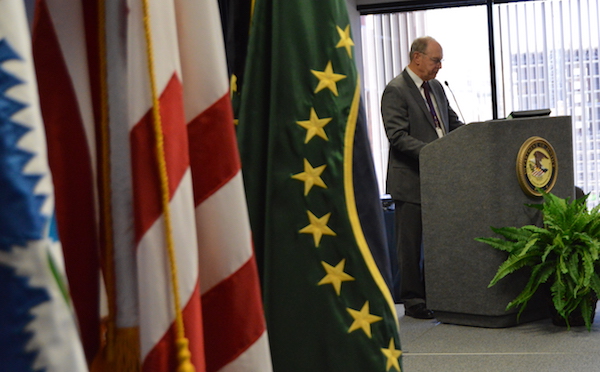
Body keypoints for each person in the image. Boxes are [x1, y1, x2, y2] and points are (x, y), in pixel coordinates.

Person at [381, 36, 464, 319]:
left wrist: (476, 135)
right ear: (417, 57)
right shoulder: (396, 90)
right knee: (410, 244)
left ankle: (436, 294)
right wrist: (434, 152)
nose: (439, 66)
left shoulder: (437, 88)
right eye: (435, 60)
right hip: (410, 181)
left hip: (437, 181)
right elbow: (397, 137)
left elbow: (452, 125)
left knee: (439, 241)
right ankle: (413, 300)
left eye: (440, 61)